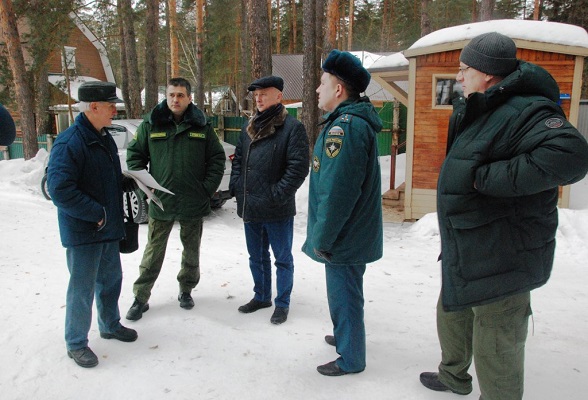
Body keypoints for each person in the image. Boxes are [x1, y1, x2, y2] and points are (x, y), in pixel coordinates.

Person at [419, 32, 588, 399]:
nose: (458, 78)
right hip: (469, 239)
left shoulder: (527, 109)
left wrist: (488, 179)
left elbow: (571, 155)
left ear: (490, 74)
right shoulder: (478, 106)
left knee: (497, 338)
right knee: (453, 309)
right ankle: (454, 375)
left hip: (505, 249)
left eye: (465, 69)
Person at [302, 50, 383, 376]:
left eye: (322, 83)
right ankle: (344, 336)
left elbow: (338, 193)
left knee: (345, 295)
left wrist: (322, 237)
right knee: (344, 292)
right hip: (349, 233)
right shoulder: (347, 123)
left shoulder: (344, 129)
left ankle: (351, 358)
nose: (317, 90)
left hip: (343, 236)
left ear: (339, 90)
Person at [47, 81, 138, 368]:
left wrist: (121, 182)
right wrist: (95, 213)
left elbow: (99, 175)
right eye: (111, 105)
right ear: (93, 107)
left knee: (111, 280)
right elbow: (60, 189)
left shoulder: (103, 136)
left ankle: (110, 324)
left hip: (107, 228)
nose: (115, 110)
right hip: (85, 230)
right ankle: (75, 343)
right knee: (82, 288)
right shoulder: (70, 142)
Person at [125, 77, 225, 321]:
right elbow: (134, 158)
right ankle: (140, 297)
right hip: (161, 203)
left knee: (191, 252)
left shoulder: (201, 126)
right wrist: (147, 190)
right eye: (171, 95)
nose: (175, 99)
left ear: (189, 98)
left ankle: (186, 290)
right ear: (166, 96)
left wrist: (206, 189)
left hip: (193, 202)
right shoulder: (152, 124)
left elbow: (217, 159)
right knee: (153, 253)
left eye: (180, 95)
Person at [229, 76, 309, 325]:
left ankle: (282, 303)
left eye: (264, 92)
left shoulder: (292, 128)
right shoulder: (248, 126)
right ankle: (261, 296)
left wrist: (277, 195)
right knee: (256, 256)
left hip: (277, 209)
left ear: (279, 96)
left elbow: (298, 168)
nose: (259, 97)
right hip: (251, 205)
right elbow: (238, 161)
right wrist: (236, 187)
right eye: (256, 93)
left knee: (282, 259)